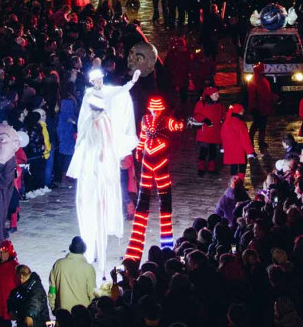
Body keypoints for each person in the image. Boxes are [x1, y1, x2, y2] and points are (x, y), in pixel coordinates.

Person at [69, 68, 138, 280]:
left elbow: (119, 93)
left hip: (104, 170)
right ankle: (91, 249)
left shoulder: (107, 119)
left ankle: (102, 248)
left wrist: (132, 82)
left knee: (106, 204)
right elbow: (84, 131)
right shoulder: (90, 108)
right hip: (91, 170)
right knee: (90, 207)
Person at [124, 95, 192, 260]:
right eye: (152, 109)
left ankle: (167, 244)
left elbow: (177, 126)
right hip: (148, 163)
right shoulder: (145, 120)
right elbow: (142, 137)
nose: (154, 112)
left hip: (161, 163)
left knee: (165, 202)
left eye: (157, 109)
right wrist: (139, 151)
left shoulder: (166, 120)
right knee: (143, 199)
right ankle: (136, 239)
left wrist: (185, 122)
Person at [48, 236, 97, 312]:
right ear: (84, 250)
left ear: (70, 248)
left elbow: (52, 289)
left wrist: (53, 307)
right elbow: (92, 293)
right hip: (82, 313)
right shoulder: (88, 268)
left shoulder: (58, 264)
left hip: (63, 313)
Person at [0, 123, 21, 246]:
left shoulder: (10, 162)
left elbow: (3, 182)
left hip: (0, 194)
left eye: (2, 139)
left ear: (15, 144)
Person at [193, 87, 225, 175]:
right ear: (209, 96)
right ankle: (201, 168)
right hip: (205, 133)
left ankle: (211, 169)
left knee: (213, 152)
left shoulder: (219, 105)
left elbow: (223, 115)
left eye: (218, 94)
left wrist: (223, 119)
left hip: (215, 133)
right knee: (203, 151)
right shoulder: (201, 104)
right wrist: (204, 119)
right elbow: (196, 115)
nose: (218, 96)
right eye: (215, 94)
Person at [221, 103, 255, 175]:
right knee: (242, 166)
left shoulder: (226, 122)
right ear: (238, 112)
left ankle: (233, 182)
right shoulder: (240, 123)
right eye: (242, 111)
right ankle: (239, 182)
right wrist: (250, 152)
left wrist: (224, 147)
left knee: (233, 167)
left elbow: (223, 136)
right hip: (239, 149)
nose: (243, 112)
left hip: (230, 149)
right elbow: (245, 139)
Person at [248, 61, 274, 150]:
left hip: (263, 107)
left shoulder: (261, 80)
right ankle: (254, 140)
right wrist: (255, 107)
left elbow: (266, 93)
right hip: (259, 107)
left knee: (261, 125)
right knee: (258, 125)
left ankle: (260, 142)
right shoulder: (257, 80)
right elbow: (254, 95)